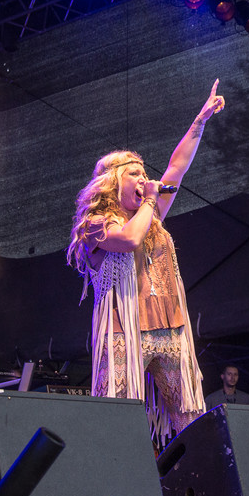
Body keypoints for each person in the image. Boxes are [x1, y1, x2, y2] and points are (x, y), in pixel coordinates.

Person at [66, 79, 225, 439]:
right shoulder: (95, 224)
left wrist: (199, 121)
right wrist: (151, 200)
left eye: (144, 173)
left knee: (189, 417)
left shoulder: (149, 214)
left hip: (170, 328)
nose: (145, 178)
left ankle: (191, 473)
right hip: (125, 331)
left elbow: (177, 168)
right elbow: (129, 239)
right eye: (134, 174)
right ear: (113, 183)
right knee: (118, 419)